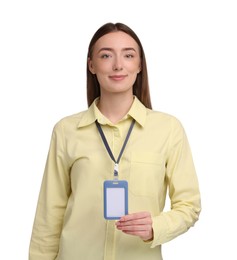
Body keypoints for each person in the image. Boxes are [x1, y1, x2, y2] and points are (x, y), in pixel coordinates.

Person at [29, 22, 201, 260]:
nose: (118, 65)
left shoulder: (168, 129)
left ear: (139, 65)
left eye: (128, 55)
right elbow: (49, 214)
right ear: (92, 65)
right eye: (106, 55)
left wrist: (157, 226)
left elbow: (189, 206)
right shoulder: (66, 131)